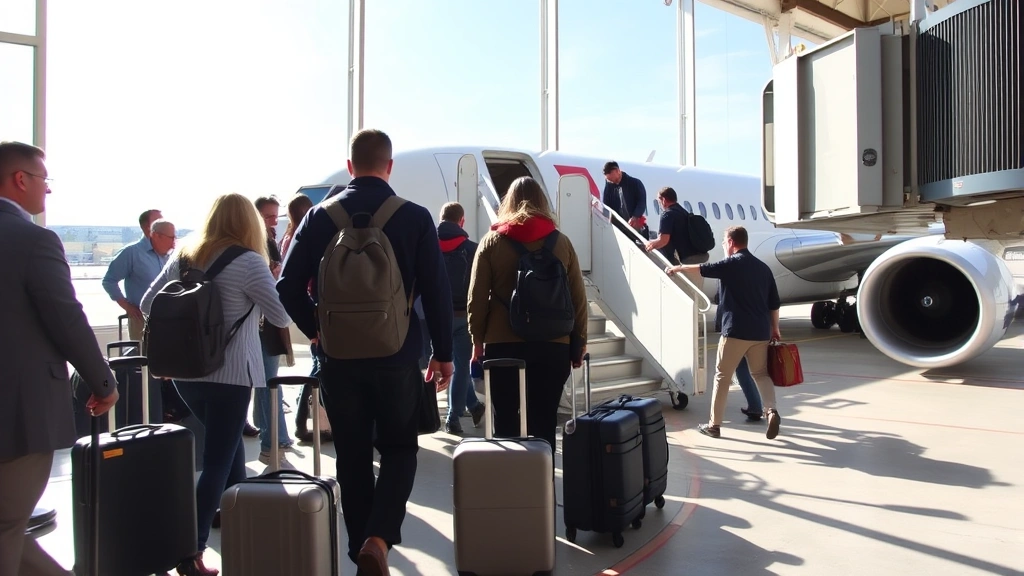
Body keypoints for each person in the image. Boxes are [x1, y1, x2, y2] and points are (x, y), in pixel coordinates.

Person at [277, 128, 453, 575]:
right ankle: (379, 538)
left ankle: (360, 549)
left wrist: (317, 331)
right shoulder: (413, 217)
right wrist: (443, 353)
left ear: (350, 166)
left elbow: (287, 287)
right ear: (389, 166)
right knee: (399, 449)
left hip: (340, 362)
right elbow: (436, 290)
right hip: (397, 357)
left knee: (352, 457)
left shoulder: (319, 217)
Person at [141, 192, 292, 576]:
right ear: (249, 224)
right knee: (217, 461)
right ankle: (189, 551)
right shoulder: (250, 262)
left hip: (186, 375)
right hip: (231, 376)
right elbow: (279, 315)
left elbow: (147, 303)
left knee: (228, 449)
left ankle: (243, 517)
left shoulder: (185, 255)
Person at [0, 141, 119, 576]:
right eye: (44, 180)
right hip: (18, 417)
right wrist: (102, 383)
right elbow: (66, 319)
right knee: (6, 528)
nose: (47, 191)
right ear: (20, 180)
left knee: (9, 529)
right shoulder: (33, 240)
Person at [468, 176, 589, 453]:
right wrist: (578, 341)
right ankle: (542, 488)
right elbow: (577, 298)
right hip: (553, 343)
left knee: (506, 421)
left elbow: (476, 297)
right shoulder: (562, 243)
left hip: (503, 343)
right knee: (544, 421)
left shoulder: (491, 242)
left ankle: (511, 488)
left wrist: (476, 339)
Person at [667, 225, 781, 440]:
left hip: (736, 331)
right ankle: (771, 410)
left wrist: (677, 269)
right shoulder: (763, 268)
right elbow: (774, 303)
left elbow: (702, 268)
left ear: (730, 242)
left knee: (722, 376)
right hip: (760, 332)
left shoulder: (731, 264)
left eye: (724, 243)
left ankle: (714, 425)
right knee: (761, 374)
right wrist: (775, 329)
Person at [252, 195, 295, 468]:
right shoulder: (256, 245)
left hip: (265, 320)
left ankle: (272, 436)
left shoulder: (267, 240)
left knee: (265, 381)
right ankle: (272, 440)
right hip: (263, 321)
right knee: (269, 382)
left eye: (275, 216)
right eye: (268, 216)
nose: (273, 222)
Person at [436, 201, 486, 434]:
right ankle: (453, 417)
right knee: (461, 367)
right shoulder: (472, 248)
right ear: (462, 220)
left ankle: (474, 406)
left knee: (453, 366)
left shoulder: (428, 245)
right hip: (463, 316)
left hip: (436, 316)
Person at [102, 208, 173, 340]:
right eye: (158, 221)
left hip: (167, 319)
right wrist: (127, 306)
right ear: (147, 227)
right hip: (141, 319)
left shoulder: (168, 253)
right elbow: (109, 281)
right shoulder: (132, 253)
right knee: (144, 357)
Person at [601, 161, 647, 237]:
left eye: (611, 178)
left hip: (634, 226)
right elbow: (606, 205)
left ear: (617, 171)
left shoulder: (635, 183)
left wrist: (635, 216)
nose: (610, 181)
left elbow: (641, 203)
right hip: (618, 227)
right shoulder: (609, 187)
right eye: (608, 179)